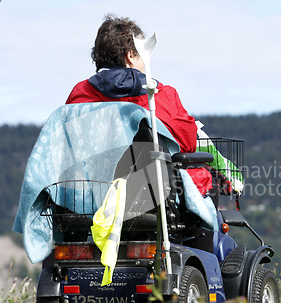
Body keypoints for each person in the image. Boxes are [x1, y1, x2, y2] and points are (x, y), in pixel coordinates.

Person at [66, 15, 212, 195]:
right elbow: (187, 144)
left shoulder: (80, 94)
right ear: (130, 56)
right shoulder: (160, 94)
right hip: (150, 196)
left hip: (90, 194)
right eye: (143, 56)